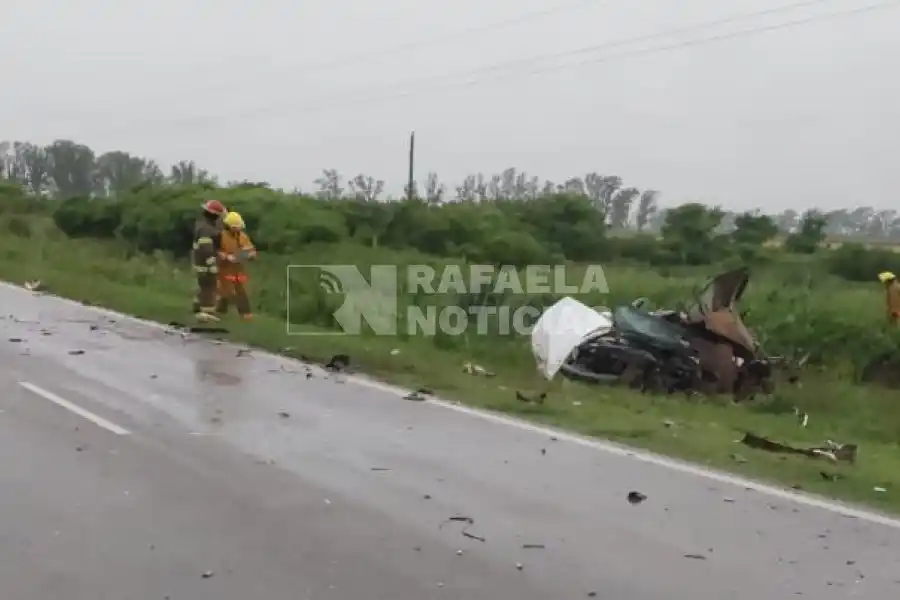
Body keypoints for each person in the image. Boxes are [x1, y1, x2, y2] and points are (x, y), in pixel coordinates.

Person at [216, 211, 257, 320]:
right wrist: (226, 256)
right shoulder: (220, 236)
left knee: (241, 289)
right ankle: (220, 311)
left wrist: (251, 255)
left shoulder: (243, 236)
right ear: (228, 226)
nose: (237, 229)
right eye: (235, 227)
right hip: (225, 268)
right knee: (225, 291)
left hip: (239, 268)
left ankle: (245, 313)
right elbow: (215, 251)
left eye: (239, 227)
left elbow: (251, 249)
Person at [191, 199, 227, 323]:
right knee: (209, 287)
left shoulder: (202, 225)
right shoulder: (207, 229)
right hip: (205, 264)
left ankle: (197, 307)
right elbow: (206, 248)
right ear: (215, 216)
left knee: (203, 286)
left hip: (200, 263)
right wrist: (211, 263)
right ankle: (206, 314)